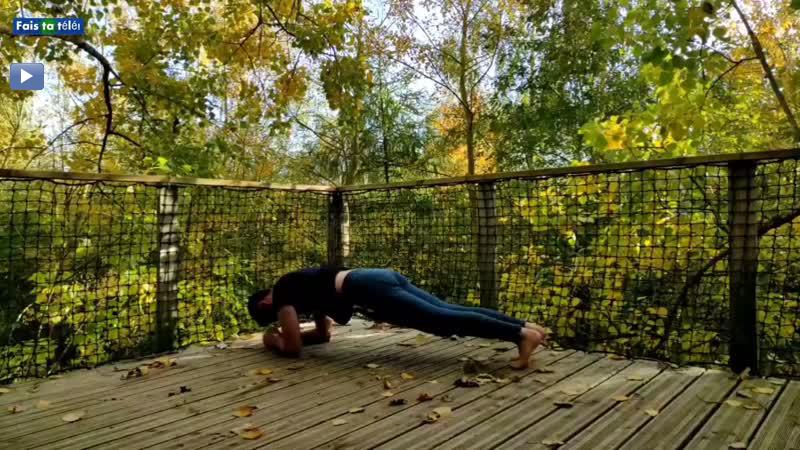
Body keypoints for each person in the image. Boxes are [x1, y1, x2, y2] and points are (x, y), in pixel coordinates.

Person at [247, 267, 548, 369]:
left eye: (272, 316)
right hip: (374, 277)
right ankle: (525, 327)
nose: (281, 319)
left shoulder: (282, 291)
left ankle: (521, 336)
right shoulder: (302, 288)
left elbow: (293, 348)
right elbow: (323, 335)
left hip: (367, 287)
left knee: (442, 319)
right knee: (448, 310)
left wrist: (272, 340)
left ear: (266, 302)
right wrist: (294, 336)